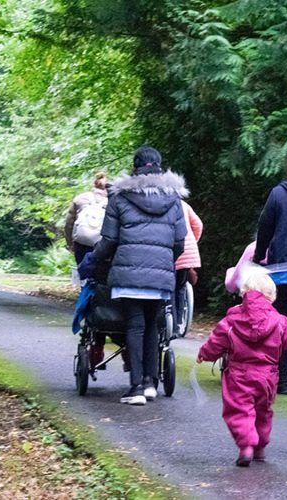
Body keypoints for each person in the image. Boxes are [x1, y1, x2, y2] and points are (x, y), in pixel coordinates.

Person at [89, 147, 187, 405]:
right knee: (153, 327)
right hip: (161, 273)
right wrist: (166, 260)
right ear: (159, 166)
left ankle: (135, 388)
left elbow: (109, 239)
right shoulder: (173, 198)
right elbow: (180, 242)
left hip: (128, 272)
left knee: (135, 325)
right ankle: (150, 384)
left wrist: (95, 259)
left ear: (135, 167)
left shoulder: (120, 197)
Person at [197, 269, 287, 466]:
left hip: (238, 375)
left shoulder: (231, 321)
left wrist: (204, 354)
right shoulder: (280, 322)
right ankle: (260, 447)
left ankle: (246, 446)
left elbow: (216, 342)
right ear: (272, 297)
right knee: (263, 411)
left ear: (243, 294)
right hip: (267, 377)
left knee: (240, 410)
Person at [253, 148, 287, 395]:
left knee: (283, 322)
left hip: (282, 270)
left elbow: (265, 228)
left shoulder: (278, 194)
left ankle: (283, 380)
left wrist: (258, 258)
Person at [65, 171, 108, 264]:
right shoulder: (112, 201)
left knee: (82, 269)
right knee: (101, 271)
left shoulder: (80, 198)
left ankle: (84, 278)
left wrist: (69, 243)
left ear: (93, 184)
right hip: (102, 243)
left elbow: (69, 223)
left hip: (81, 241)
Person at [174, 198, 203, 335]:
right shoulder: (183, 204)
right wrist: (193, 241)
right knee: (179, 288)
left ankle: (170, 322)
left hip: (170, 251)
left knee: (169, 290)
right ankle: (179, 322)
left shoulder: (159, 203)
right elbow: (198, 225)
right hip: (187, 251)